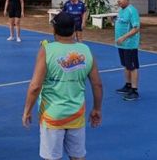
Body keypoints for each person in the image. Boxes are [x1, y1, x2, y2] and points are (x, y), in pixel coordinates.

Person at [22, 12, 102, 160]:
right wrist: (97, 109)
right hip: (76, 114)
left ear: (54, 29)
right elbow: (97, 84)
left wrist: (27, 110)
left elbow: (35, 86)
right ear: (74, 29)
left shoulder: (47, 50)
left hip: (52, 115)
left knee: (52, 157)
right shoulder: (86, 50)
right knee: (77, 156)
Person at [114, 0, 141, 101]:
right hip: (121, 45)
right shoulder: (121, 11)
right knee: (126, 65)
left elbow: (136, 28)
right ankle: (128, 85)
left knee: (132, 67)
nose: (118, 1)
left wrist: (124, 37)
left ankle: (134, 91)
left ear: (127, 0)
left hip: (130, 44)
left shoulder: (132, 10)